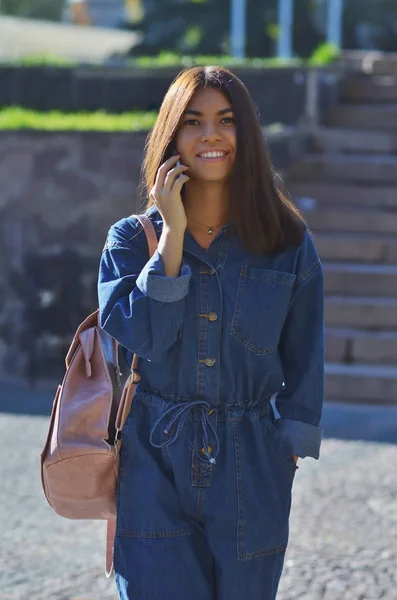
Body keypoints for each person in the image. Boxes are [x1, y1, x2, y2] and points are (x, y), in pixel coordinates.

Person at [97, 65, 324, 600]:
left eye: (226, 119)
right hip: (153, 462)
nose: (211, 135)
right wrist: (172, 234)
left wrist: (283, 454)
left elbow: (305, 354)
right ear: (171, 135)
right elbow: (143, 338)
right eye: (193, 121)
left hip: (253, 467)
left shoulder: (285, 240)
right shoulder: (132, 240)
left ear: (245, 132)